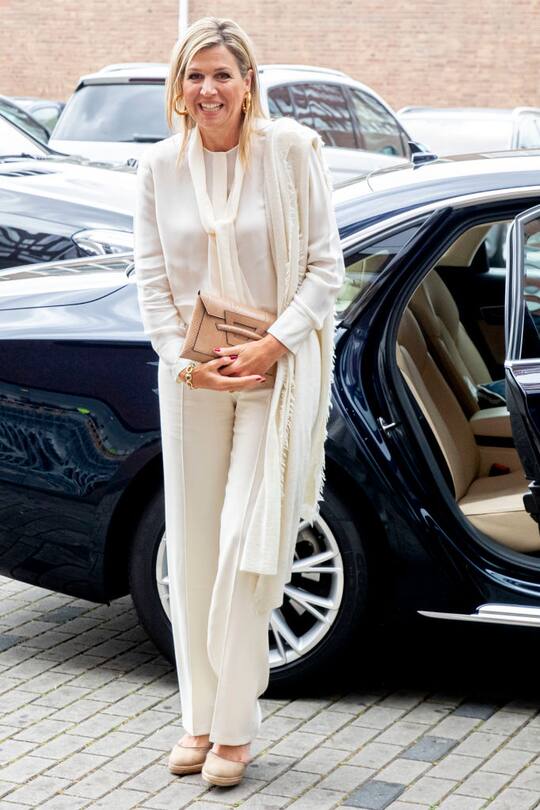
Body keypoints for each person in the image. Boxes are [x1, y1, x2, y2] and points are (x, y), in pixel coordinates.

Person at [134, 15, 345, 788]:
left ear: (248, 82)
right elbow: (150, 279)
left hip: (270, 379)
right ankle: (197, 721)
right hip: (191, 381)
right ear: (179, 88)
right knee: (191, 553)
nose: (208, 89)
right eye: (194, 76)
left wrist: (270, 346)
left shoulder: (290, 154)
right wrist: (183, 363)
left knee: (240, 549)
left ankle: (235, 729)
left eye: (222, 74)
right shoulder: (158, 167)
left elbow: (325, 268)